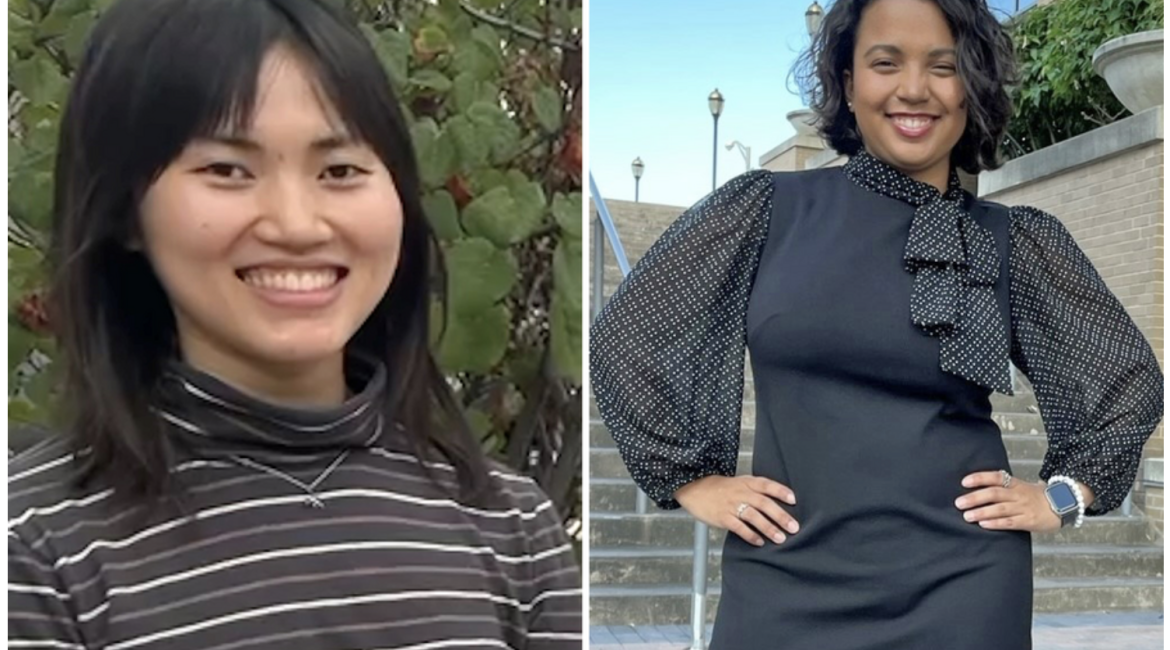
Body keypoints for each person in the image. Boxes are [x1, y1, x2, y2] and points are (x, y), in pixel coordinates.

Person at [8, 1, 581, 649]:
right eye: (227, 170)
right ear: (124, 212)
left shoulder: (508, 523)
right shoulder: (35, 552)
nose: (297, 225)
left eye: (340, 170)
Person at [589, 0, 1162, 647]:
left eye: (942, 67)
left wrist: (1062, 499)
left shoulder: (1013, 241)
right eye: (885, 62)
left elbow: (1125, 382)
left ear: (970, 86)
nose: (913, 88)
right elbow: (629, 336)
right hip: (783, 579)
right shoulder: (764, 212)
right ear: (846, 80)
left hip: (963, 588)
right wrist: (691, 479)